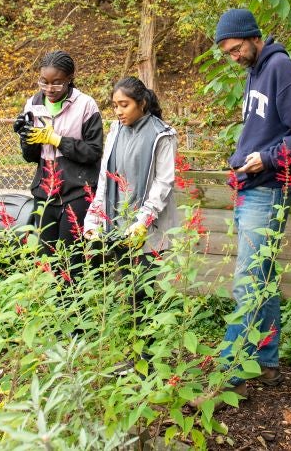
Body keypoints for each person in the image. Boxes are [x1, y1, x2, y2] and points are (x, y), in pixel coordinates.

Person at [210, 8, 291, 400]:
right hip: (253, 184)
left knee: (247, 282)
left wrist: (273, 157)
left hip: (269, 185)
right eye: (228, 52)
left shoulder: (281, 69)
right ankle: (266, 362)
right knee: (261, 280)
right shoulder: (255, 71)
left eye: (237, 48)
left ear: (253, 36)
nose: (234, 57)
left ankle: (228, 375)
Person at [84, 77, 178, 369]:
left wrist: (143, 221)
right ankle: (135, 356)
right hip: (117, 225)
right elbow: (105, 178)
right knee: (129, 292)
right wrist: (95, 216)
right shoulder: (115, 130)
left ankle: (146, 360)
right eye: (114, 106)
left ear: (142, 103)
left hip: (147, 229)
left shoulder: (163, 135)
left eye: (124, 105)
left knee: (144, 292)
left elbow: (163, 183)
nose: (118, 112)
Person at [16, 51, 103, 281]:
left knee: (72, 260)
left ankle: (76, 311)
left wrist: (57, 139)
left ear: (70, 78)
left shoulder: (86, 105)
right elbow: (30, 156)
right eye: (44, 82)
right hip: (45, 194)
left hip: (77, 191)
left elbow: (94, 152)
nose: (49, 88)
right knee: (49, 258)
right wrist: (26, 137)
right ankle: (58, 310)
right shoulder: (33, 105)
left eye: (57, 83)